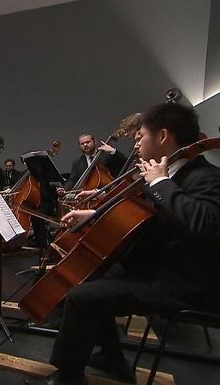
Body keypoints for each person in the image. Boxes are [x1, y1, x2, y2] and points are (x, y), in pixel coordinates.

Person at [26, 103, 220, 385]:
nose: (137, 143)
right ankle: (112, 357)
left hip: (181, 282)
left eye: (141, 136)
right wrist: (95, 214)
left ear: (163, 136)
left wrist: (161, 184)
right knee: (89, 279)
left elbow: (205, 226)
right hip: (153, 267)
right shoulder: (164, 173)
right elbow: (140, 215)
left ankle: (69, 378)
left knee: (82, 299)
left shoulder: (205, 177)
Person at [57, 134, 126, 195]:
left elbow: (125, 163)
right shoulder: (77, 162)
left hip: (107, 193)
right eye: (82, 143)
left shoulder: (107, 155)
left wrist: (114, 151)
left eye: (88, 142)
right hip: (86, 195)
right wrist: (64, 189)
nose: (85, 145)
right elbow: (72, 180)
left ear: (95, 142)